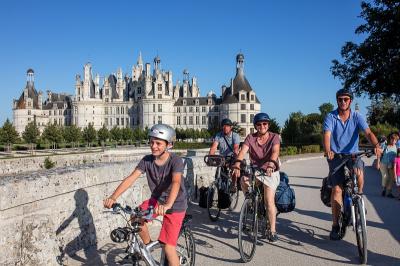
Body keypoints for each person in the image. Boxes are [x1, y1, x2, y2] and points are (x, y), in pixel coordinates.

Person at [103, 124, 186, 266]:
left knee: (168, 247)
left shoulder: (175, 161)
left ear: (169, 145)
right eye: (151, 142)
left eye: (158, 143)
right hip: (157, 201)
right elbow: (130, 178)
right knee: (135, 217)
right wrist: (113, 197)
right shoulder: (147, 160)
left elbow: (176, 182)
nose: (154, 146)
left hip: (175, 204)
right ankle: (148, 247)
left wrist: (168, 205)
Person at [323, 88, 381, 241]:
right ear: (337, 100)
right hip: (336, 156)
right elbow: (327, 135)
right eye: (340, 99)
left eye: (346, 99)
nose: (343, 102)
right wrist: (328, 150)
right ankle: (335, 225)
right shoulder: (331, 116)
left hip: (353, 155)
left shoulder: (357, 116)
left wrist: (376, 145)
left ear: (350, 101)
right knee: (336, 190)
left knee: (359, 173)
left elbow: (368, 133)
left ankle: (359, 199)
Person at [232, 112, 280, 242]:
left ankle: (272, 230)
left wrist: (271, 163)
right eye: (259, 124)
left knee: (269, 200)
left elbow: (275, 152)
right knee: (243, 180)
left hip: (271, 170)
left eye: (264, 124)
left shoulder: (274, 137)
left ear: (268, 125)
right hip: (256, 170)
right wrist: (237, 164)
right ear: (255, 126)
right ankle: (252, 201)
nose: (262, 126)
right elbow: (242, 152)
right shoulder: (250, 138)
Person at [209, 118, 241, 192]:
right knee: (218, 173)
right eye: (223, 126)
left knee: (233, 169)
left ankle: (233, 185)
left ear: (231, 127)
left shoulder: (235, 136)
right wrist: (210, 157)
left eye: (227, 126)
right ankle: (218, 186)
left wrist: (236, 158)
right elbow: (214, 147)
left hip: (232, 157)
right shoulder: (218, 135)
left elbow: (236, 147)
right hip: (222, 158)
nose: (225, 128)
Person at [377, 132, 399, 198]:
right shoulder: (385, 145)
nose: (393, 141)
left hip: (392, 165)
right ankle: (384, 189)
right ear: (390, 139)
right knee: (385, 176)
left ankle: (389, 192)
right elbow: (379, 152)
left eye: (395, 140)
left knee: (392, 178)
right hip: (383, 163)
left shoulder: (397, 147)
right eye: (392, 139)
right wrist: (378, 162)